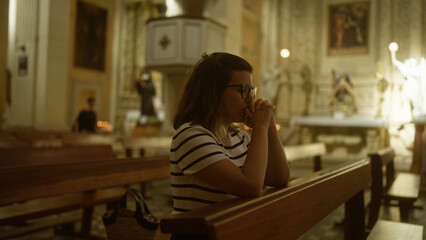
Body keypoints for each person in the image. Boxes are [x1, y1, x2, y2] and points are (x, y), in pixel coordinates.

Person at [169, 52, 290, 239]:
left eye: (252, 90)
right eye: (243, 90)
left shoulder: (238, 136)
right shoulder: (191, 135)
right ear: (213, 91)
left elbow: (279, 178)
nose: (250, 99)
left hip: (233, 231)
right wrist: (259, 126)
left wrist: (270, 126)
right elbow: (250, 186)